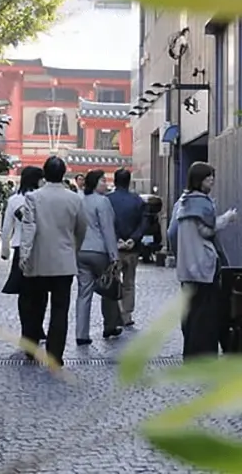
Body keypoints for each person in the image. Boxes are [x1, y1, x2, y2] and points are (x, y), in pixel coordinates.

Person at [20, 156, 88, 366]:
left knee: (35, 305)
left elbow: (28, 228)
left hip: (38, 258)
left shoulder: (33, 197)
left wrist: (24, 255)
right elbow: (81, 228)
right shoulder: (75, 199)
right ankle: (55, 354)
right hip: (64, 260)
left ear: (45, 173)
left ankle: (31, 347)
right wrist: (74, 248)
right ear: (64, 173)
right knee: (60, 309)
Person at [167, 161, 238, 360]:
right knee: (206, 314)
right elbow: (208, 230)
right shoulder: (201, 202)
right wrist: (227, 218)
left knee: (190, 312)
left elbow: (172, 232)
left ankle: (190, 353)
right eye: (208, 177)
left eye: (212, 176)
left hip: (186, 267)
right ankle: (204, 356)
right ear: (199, 180)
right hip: (204, 265)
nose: (212, 181)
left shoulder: (182, 202)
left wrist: (181, 254)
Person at [0, 165, 46, 345]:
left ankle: (26, 332)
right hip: (40, 248)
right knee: (41, 292)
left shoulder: (13, 200)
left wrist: (5, 250)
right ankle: (37, 328)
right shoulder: (42, 199)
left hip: (20, 248)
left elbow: (6, 228)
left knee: (25, 294)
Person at [76, 169, 122, 345]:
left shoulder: (79, 201)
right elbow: (107, 229)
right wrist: (114, 255)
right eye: (102, 180)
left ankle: (81, 333)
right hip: (99, 251)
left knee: (83, 292)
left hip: (81, 251)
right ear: (95, 183)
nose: (106, 183)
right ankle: (110, 325)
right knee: (108, 287)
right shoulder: (103, 201)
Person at [106, 168, 145, 328]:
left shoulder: (107, 200)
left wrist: (117, 239)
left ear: (115, 181)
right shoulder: (137, 200)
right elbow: (143, 223)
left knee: (113, 282)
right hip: (132, 249)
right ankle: (127, 315)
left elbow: (106, 223)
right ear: (129, 182)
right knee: (129, 283)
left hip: (114, 249)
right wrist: (133, 239)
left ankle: (114, 314)